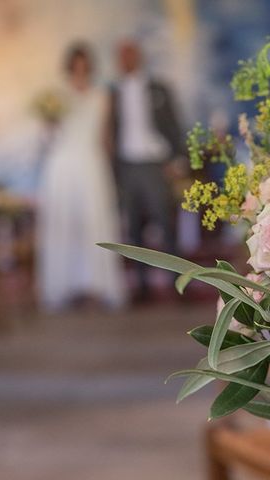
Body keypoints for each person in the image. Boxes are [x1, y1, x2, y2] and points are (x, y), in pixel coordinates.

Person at [37, 42, 127, 310]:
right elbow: (46, 137)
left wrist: (111, 167)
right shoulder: (55, 95)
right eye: (76, 65)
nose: (80, 70)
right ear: (69, 65)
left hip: (91, 163)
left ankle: (98, 286)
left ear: (89, 66)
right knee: (63, 224)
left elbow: (106, 136)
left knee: (95, 223)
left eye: (84, 65)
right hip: (62, 165)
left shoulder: (102, 94)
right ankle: (62, 287)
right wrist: (50, 124)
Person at [106, 40, 185, 300]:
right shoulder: (113, 93)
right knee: (134, 229)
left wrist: (178, 159)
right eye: (121, 56)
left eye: (130, 54)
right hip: (127, 165)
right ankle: (141, 287)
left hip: (154, 163)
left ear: (139, 57)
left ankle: (177, 282)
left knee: (165, 223)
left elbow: (173, 125)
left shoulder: (157, 88)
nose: (125, 60)